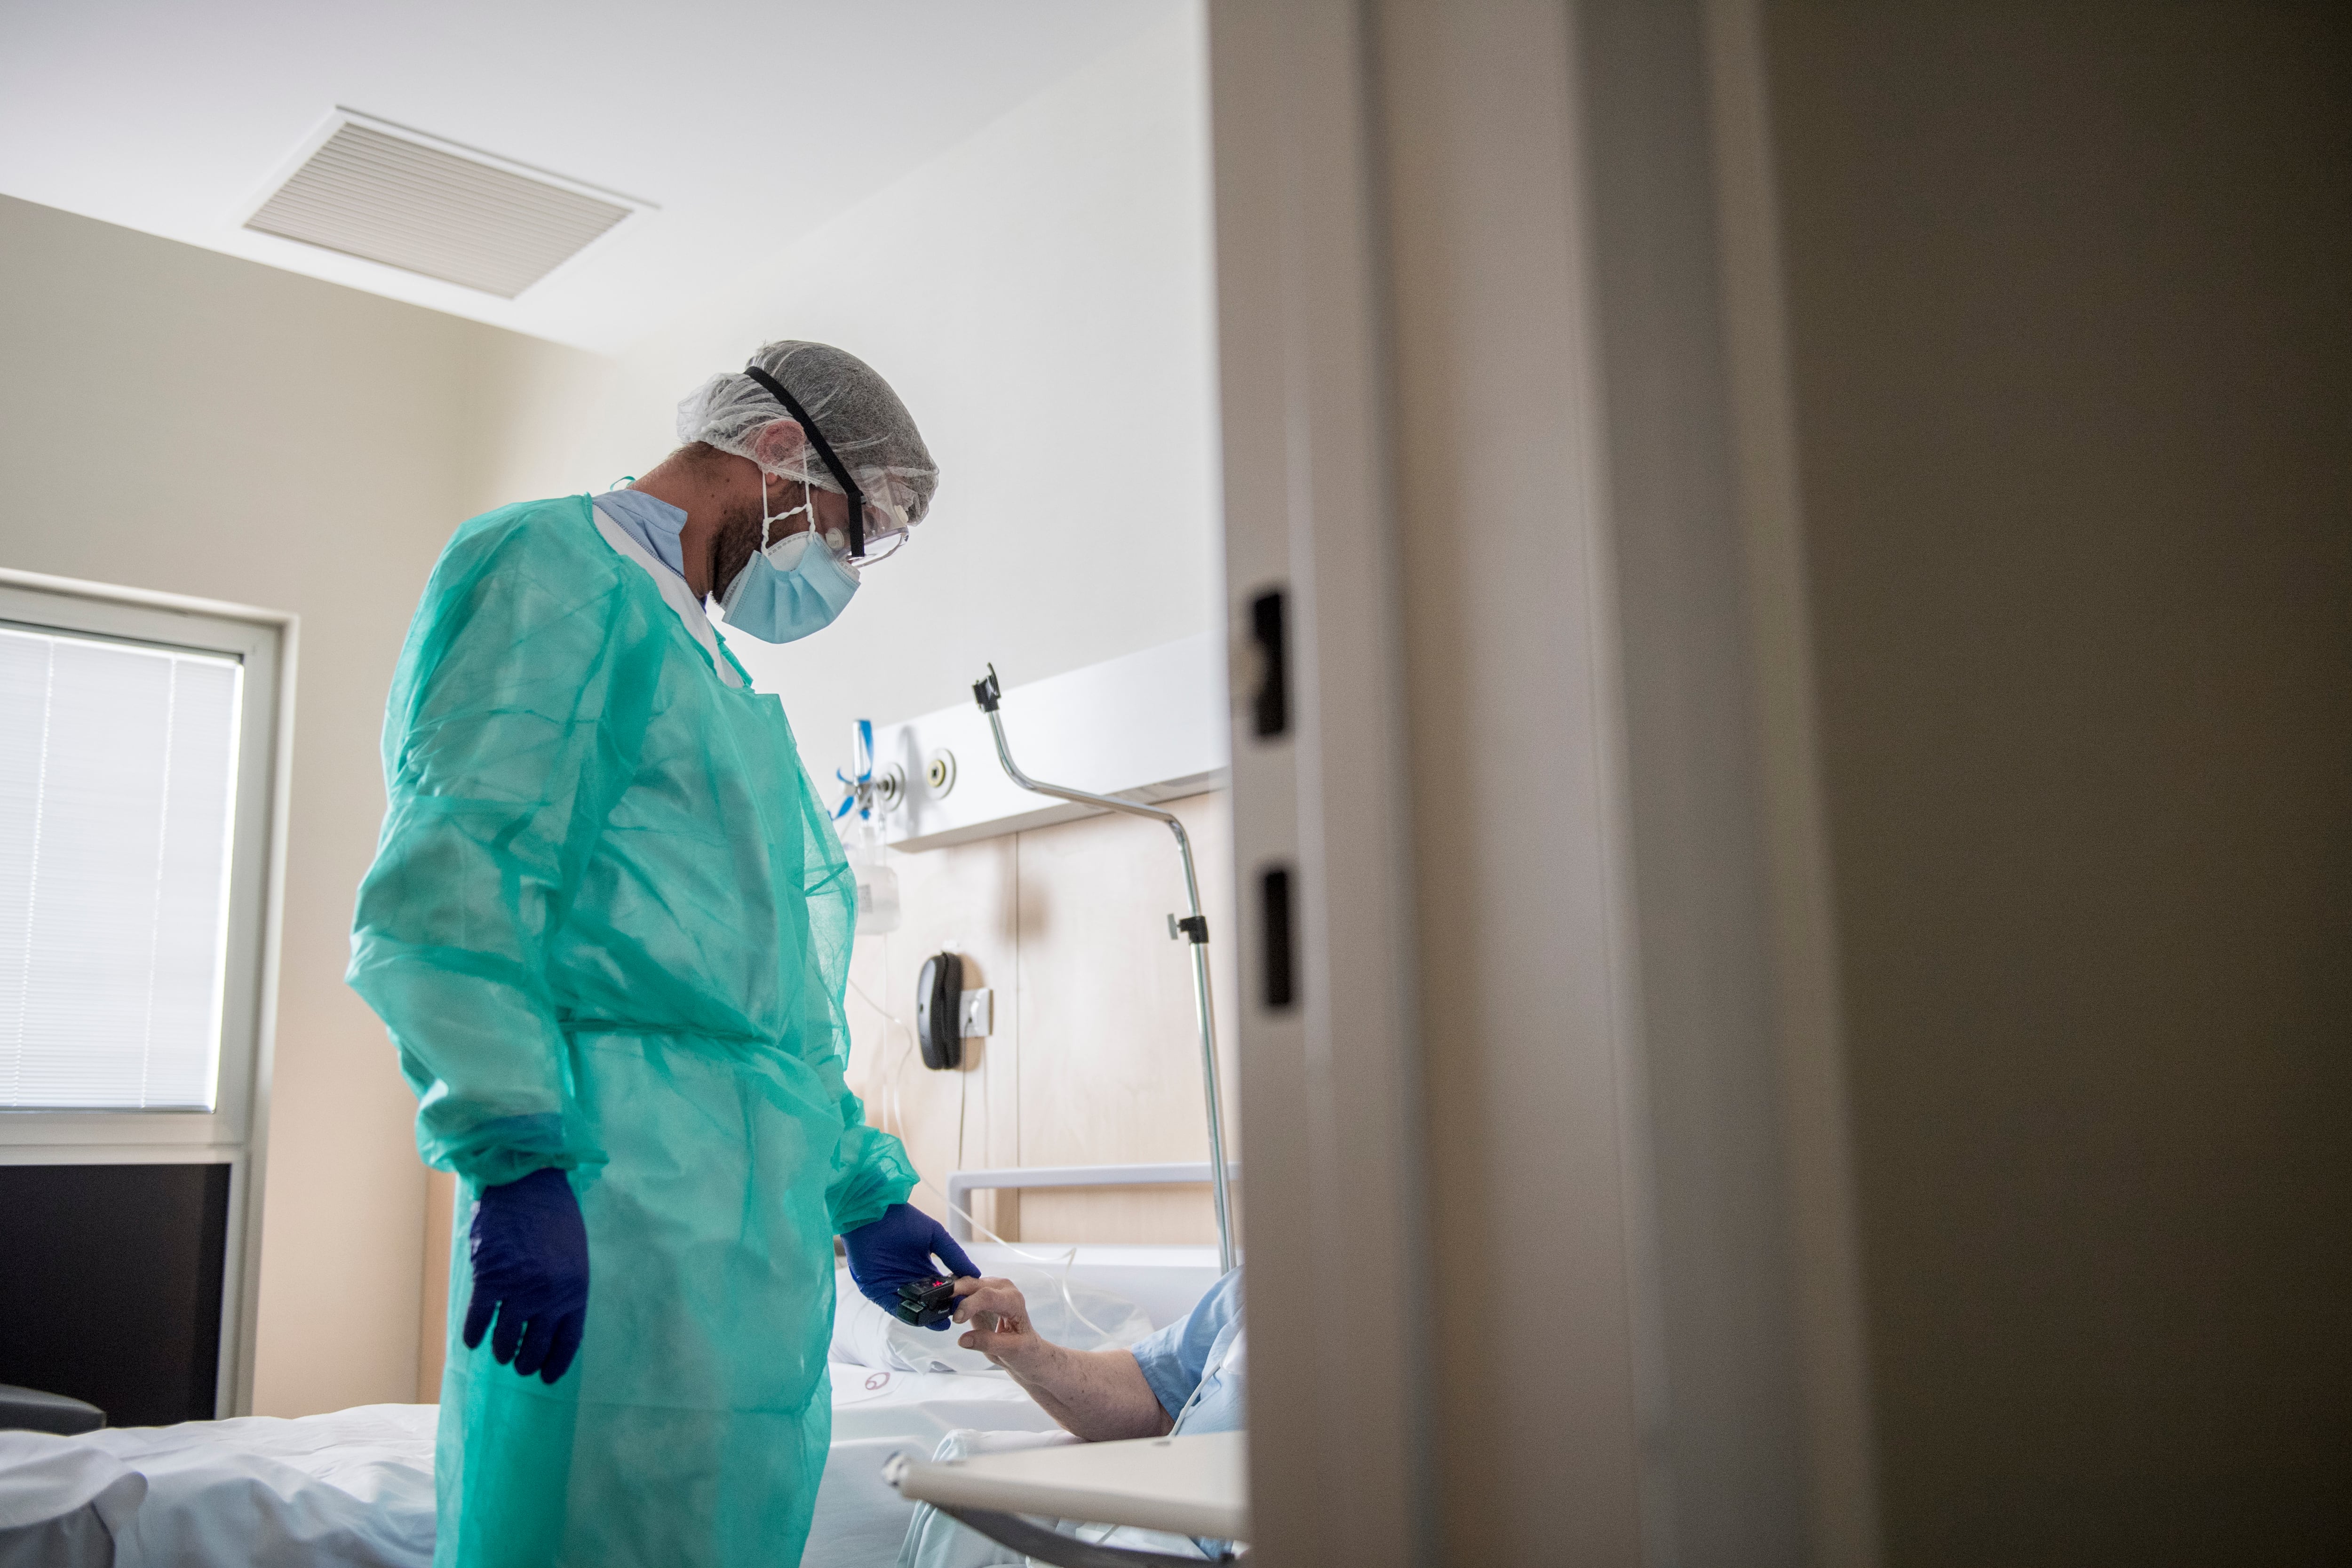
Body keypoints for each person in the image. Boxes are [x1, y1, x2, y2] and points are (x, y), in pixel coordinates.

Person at [349, 341, 980, 1568]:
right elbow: (455, 878)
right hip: (611, 1194)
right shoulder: (547, 569)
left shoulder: (710, 672)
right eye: (851, 532)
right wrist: (514, 1153)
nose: (840, 570)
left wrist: (860, 1190)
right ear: (782, 450)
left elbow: (770, 1004)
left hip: (742, 1250)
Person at [895, 1269, 1246, 1567]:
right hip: (1128, 1529)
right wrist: (1030, 1355)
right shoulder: (1257, 1286)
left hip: (1194, 1549)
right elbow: (1155, 1399)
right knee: (967, 1470)